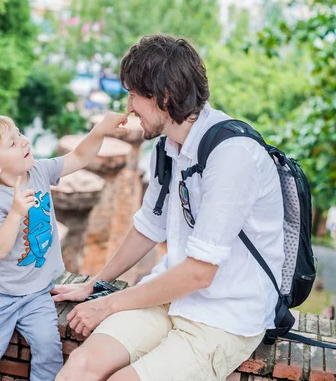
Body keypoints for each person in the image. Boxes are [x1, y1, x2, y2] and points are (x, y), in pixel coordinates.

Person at [52, 34, 285, 381]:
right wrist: (95, 285)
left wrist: (110, 303)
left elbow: (199, 273)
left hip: (225, 315)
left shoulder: (232, 155)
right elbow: (149, 226)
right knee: (80, 368)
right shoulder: (168, 148)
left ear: (163, 97)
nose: (128, 107)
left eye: (134, 95)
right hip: (169, 296)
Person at [0, 113, 128, 381]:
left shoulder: (39, 171)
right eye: (12, 143)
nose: (24, 142)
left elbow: (80, 157)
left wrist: (100, 130)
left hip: (37, 294)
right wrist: (15, 213)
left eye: (20, 134)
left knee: (49, 353)